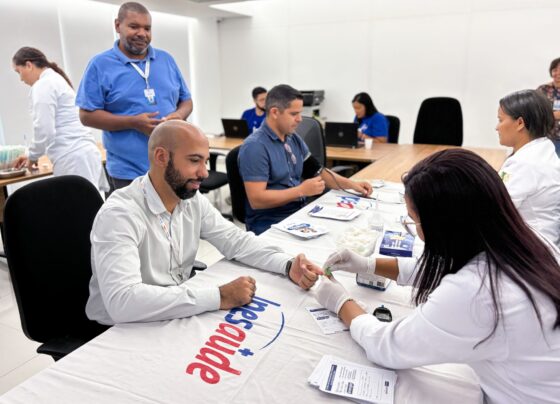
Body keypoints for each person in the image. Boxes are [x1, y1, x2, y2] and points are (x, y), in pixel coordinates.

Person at [315, 149, 560, 404]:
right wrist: (366, 264)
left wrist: (340, 302)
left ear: (445, 226)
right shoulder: (529, 239)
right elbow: (441, 268)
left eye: (414, 222)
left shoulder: (475, 293)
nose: (415, 230)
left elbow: (386, 346)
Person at [86, 120, 322, 325]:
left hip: (171, 310)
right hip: (120, 329)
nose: (205, 173)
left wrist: (287, 265)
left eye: (205, 161)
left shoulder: (189, 200)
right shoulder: (120, 214)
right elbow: (122, 302)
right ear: (161, 157)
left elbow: (236, 241)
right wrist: (219, 296)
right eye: (194, 161)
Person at [76, 2, 193, 195]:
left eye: (147, 28)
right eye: (134, 26)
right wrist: (132, 122)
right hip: (128, 172)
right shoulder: (100, 65)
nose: (142, 33)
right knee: (135, 225)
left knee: (175, 223)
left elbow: (187, 101)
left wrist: (179, 116)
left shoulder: (166, 60)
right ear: (117, 26)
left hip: (171, 167)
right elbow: (86, 115)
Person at [238, 84, 373, 235]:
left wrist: (352, 185)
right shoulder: (255, 147)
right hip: (269, 222)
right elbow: (257, 199)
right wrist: (301, 191)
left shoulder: (292, 138)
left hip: (297, 212)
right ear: (275, 112)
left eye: (300, 113)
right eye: (294, 114)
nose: (300, 119)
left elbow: (317, 171)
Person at [11, 47, 108, 192]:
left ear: (29, 65)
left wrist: (32, 156)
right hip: (81, 154)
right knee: (87, 208)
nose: (21, 79)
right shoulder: (55, 80)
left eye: (19, 72)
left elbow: (44, 130)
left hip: (72, 157)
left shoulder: (43, 85)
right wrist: (31, 154)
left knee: (79, 210)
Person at [496, 89, 560, 246]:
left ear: (519, 123)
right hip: (538, 244)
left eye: (500, 120)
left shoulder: (525, 163)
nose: (497, 127)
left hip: (529, 250)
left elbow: (492, 209)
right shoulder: (542, 150)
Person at [537, 57, 560, 156]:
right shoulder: (543, 89)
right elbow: (535, 110)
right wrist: (554, 115)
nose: (558, 73)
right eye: (555, 70)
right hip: (547, 137)